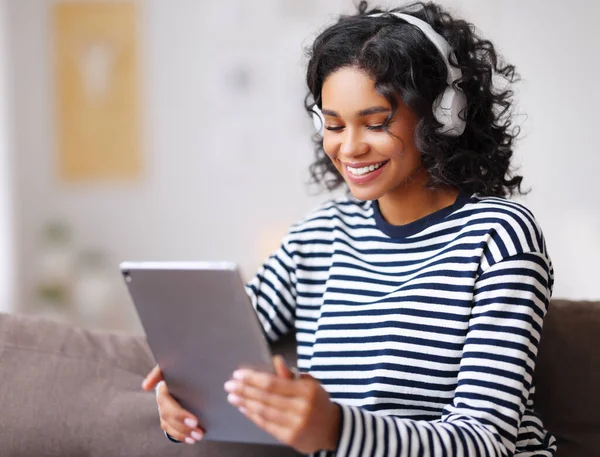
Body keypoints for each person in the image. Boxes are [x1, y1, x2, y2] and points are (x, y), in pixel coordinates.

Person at [142, 1, 557, 456]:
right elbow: (220, 343)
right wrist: (184, 393)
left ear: (442, 115)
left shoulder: (499, 236)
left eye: (376, 123)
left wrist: (337, 431)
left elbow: (486, 441)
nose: (351, 148)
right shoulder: (318, 237)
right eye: (334, 125)